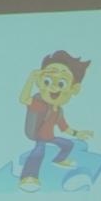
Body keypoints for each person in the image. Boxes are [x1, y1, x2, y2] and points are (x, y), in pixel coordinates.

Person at [17, 50, 93, 191]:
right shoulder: (40, 104)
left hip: (50, 137)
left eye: (61, 83)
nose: (53, 87)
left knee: (68, 144)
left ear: (74, 89)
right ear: (40, 82)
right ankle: (28, 177)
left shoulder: (58, 111)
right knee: (38, 152)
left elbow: (65, 128)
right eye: (47, 81)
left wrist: (78, 133)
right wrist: (30, 79)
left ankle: (59, 159)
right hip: (39, 137)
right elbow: (23, 99)